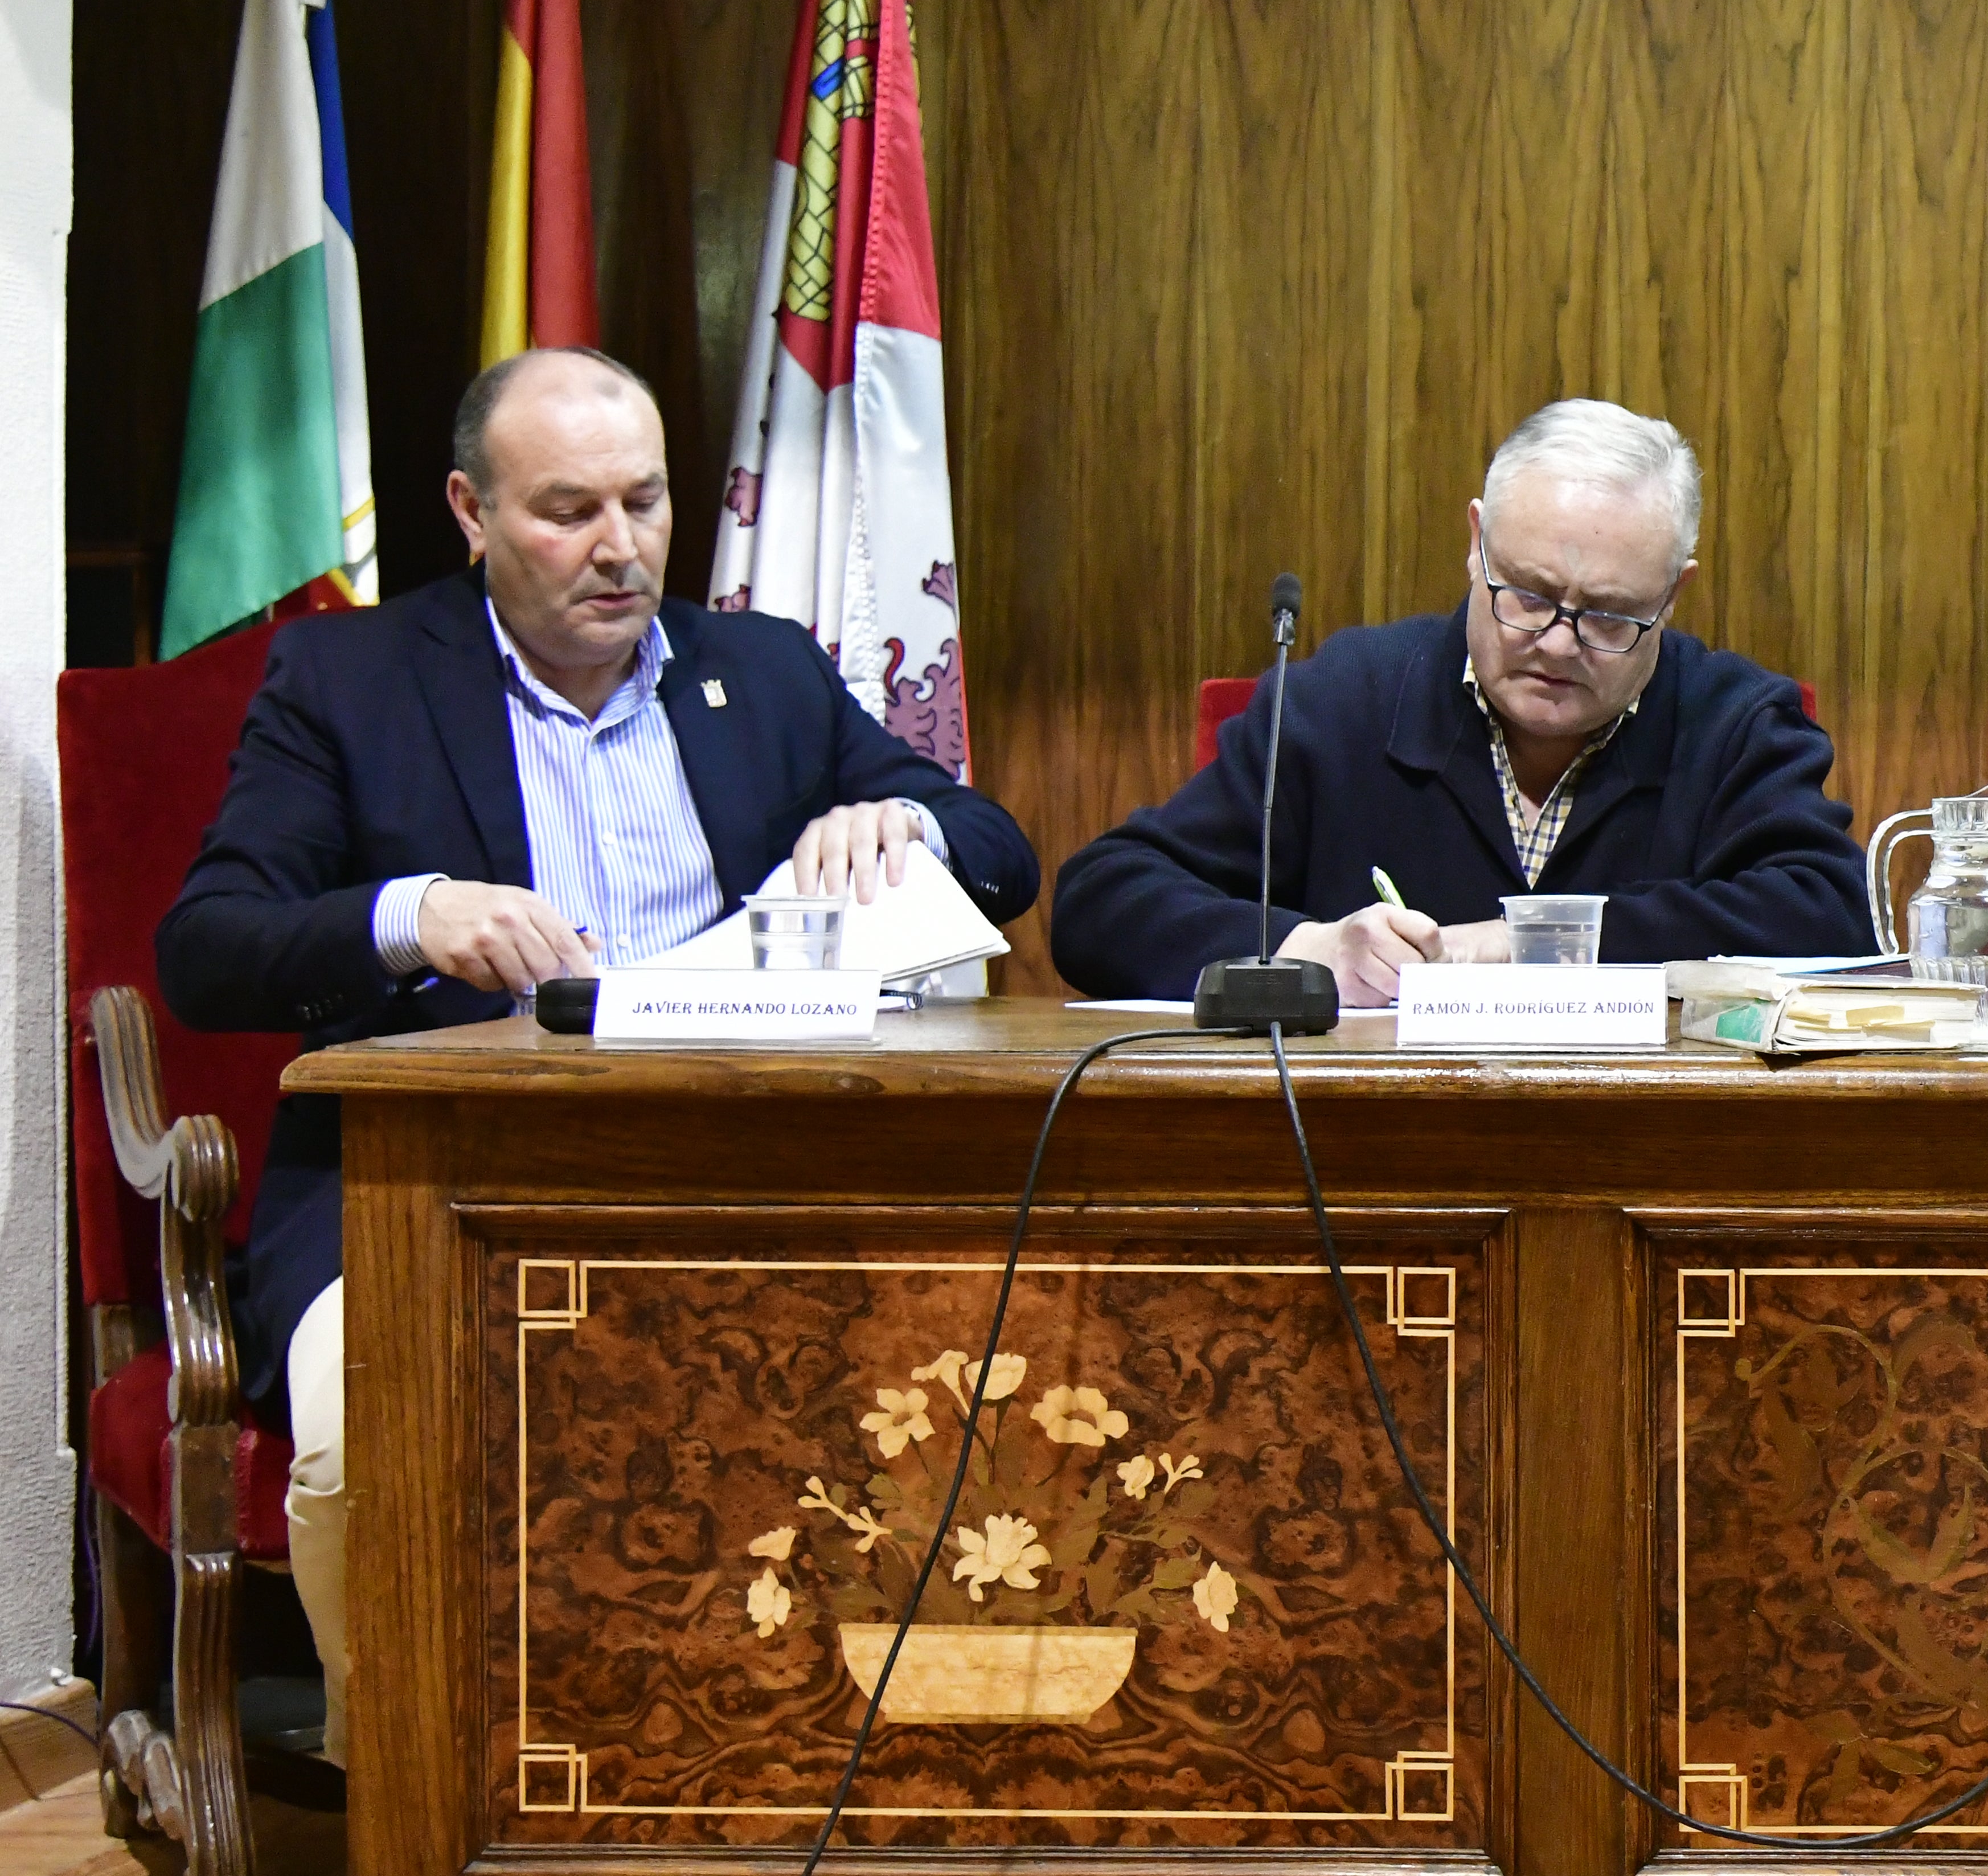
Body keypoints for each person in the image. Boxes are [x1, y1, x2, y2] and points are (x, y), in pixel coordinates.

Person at [159, 345, 1044, 1765]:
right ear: (471, 509)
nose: (620, 547)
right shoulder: (352, 677)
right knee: (354, 1448)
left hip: (730, 1173)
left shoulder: (757, 669)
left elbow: (1003, 854)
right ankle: (410, 1790)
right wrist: (410, 916)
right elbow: (206, 948)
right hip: (423, 1183)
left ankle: (764, 1763)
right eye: (570, 510)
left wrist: (907, 828)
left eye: (646, 502)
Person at [1052, 398, 1863, 1002]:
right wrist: (1308, 948)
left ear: (1673, 595)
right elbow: (1102, 902)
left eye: (1609, 616)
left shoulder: (1737, 721)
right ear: (1475, 544)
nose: (1555, 642)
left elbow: (1832, 917)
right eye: (1528, 596)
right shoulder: (1341, 702)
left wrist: (1527, 945)